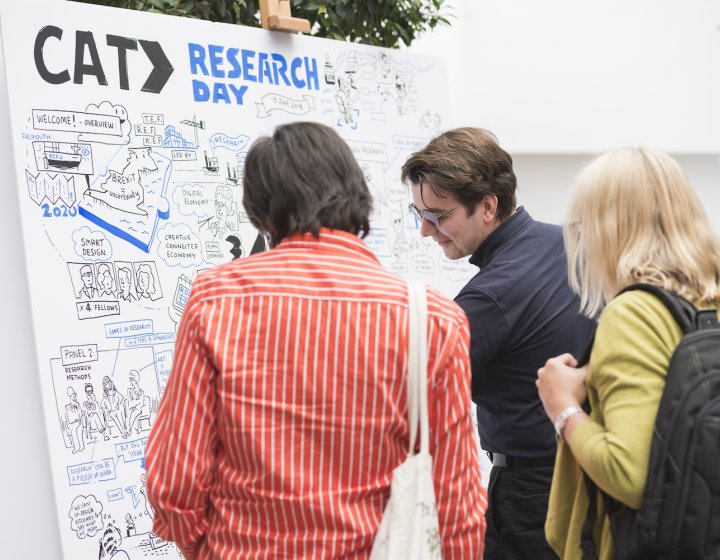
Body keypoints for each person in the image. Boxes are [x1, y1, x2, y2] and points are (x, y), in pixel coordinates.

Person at [145, 121, 487, 559]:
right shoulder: (434, 320)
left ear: (260, 212)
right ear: (356, 194)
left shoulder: (216, 300)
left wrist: (206, 548)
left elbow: (175, 481)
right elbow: (457, 500)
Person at [401, 127, 596, 560]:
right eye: (418, 214)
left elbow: (414, 399)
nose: (425, 232)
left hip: (532, 497)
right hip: (595, 473)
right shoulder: (576, 243)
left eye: (438, 215)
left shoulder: (486, 298)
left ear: (487, 205)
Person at [536, 147, 720, 560]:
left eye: (581, 227)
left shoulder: (634, 314)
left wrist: (563, 407)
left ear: (608, 229)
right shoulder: (709, 301)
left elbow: (627, 473)